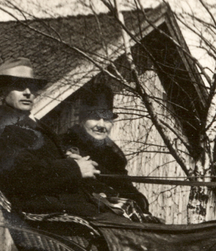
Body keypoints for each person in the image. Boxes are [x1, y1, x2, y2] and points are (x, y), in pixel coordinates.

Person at [0, 58, 108, 219]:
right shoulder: (1, 128)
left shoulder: (28, 123)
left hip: (67, 206)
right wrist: (74, 168)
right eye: (19, 86)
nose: (28, 92)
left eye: (32, 87)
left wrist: (68, 159)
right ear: (1, 91)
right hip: (50, 214)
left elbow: (38, 161)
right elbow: (24, 175)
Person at [59, 84, 159, 222]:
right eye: (95, 117)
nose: (101, 125)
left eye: (106, 119)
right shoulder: (65, 145)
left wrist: (140, 202)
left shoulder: (113, 155)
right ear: (82, 121)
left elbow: (125, 186)